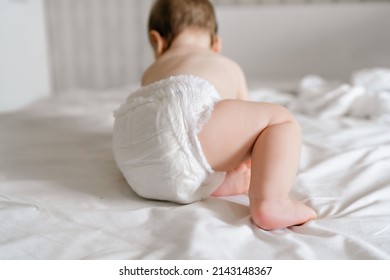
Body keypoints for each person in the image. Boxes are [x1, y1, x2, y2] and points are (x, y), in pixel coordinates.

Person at [113, 0, 316, 230]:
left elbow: (164, 127)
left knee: (185, 147)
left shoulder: (152, 71)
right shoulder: (228, 66)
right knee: (280, 121)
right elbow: (248, 138)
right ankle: (272, 203)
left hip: (133, 154)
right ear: (216, 44)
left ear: (158, 42)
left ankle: (209, 184)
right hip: (187, 111)